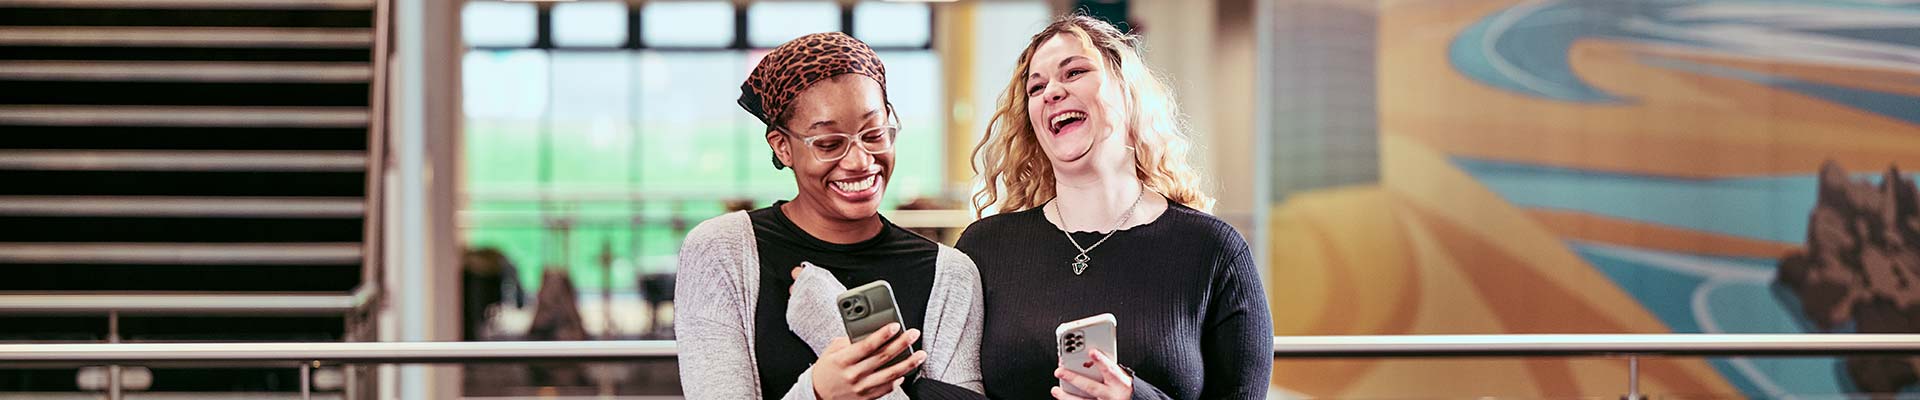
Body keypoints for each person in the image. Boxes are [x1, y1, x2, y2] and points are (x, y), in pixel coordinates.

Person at [956, 15, 1273, 400]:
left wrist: (1135, 397)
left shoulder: (1214, 250)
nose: (1051, 91)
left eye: (1074, 72)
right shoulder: (986, 249)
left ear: (1127, 92)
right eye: (1036, 87)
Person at [675, 32, 984, 400]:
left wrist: (831, 329)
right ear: (782, 147)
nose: (860, 161)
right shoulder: (721, 252)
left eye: (874, 134)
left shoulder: (949, 274)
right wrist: (818, 392)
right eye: (829, 144)